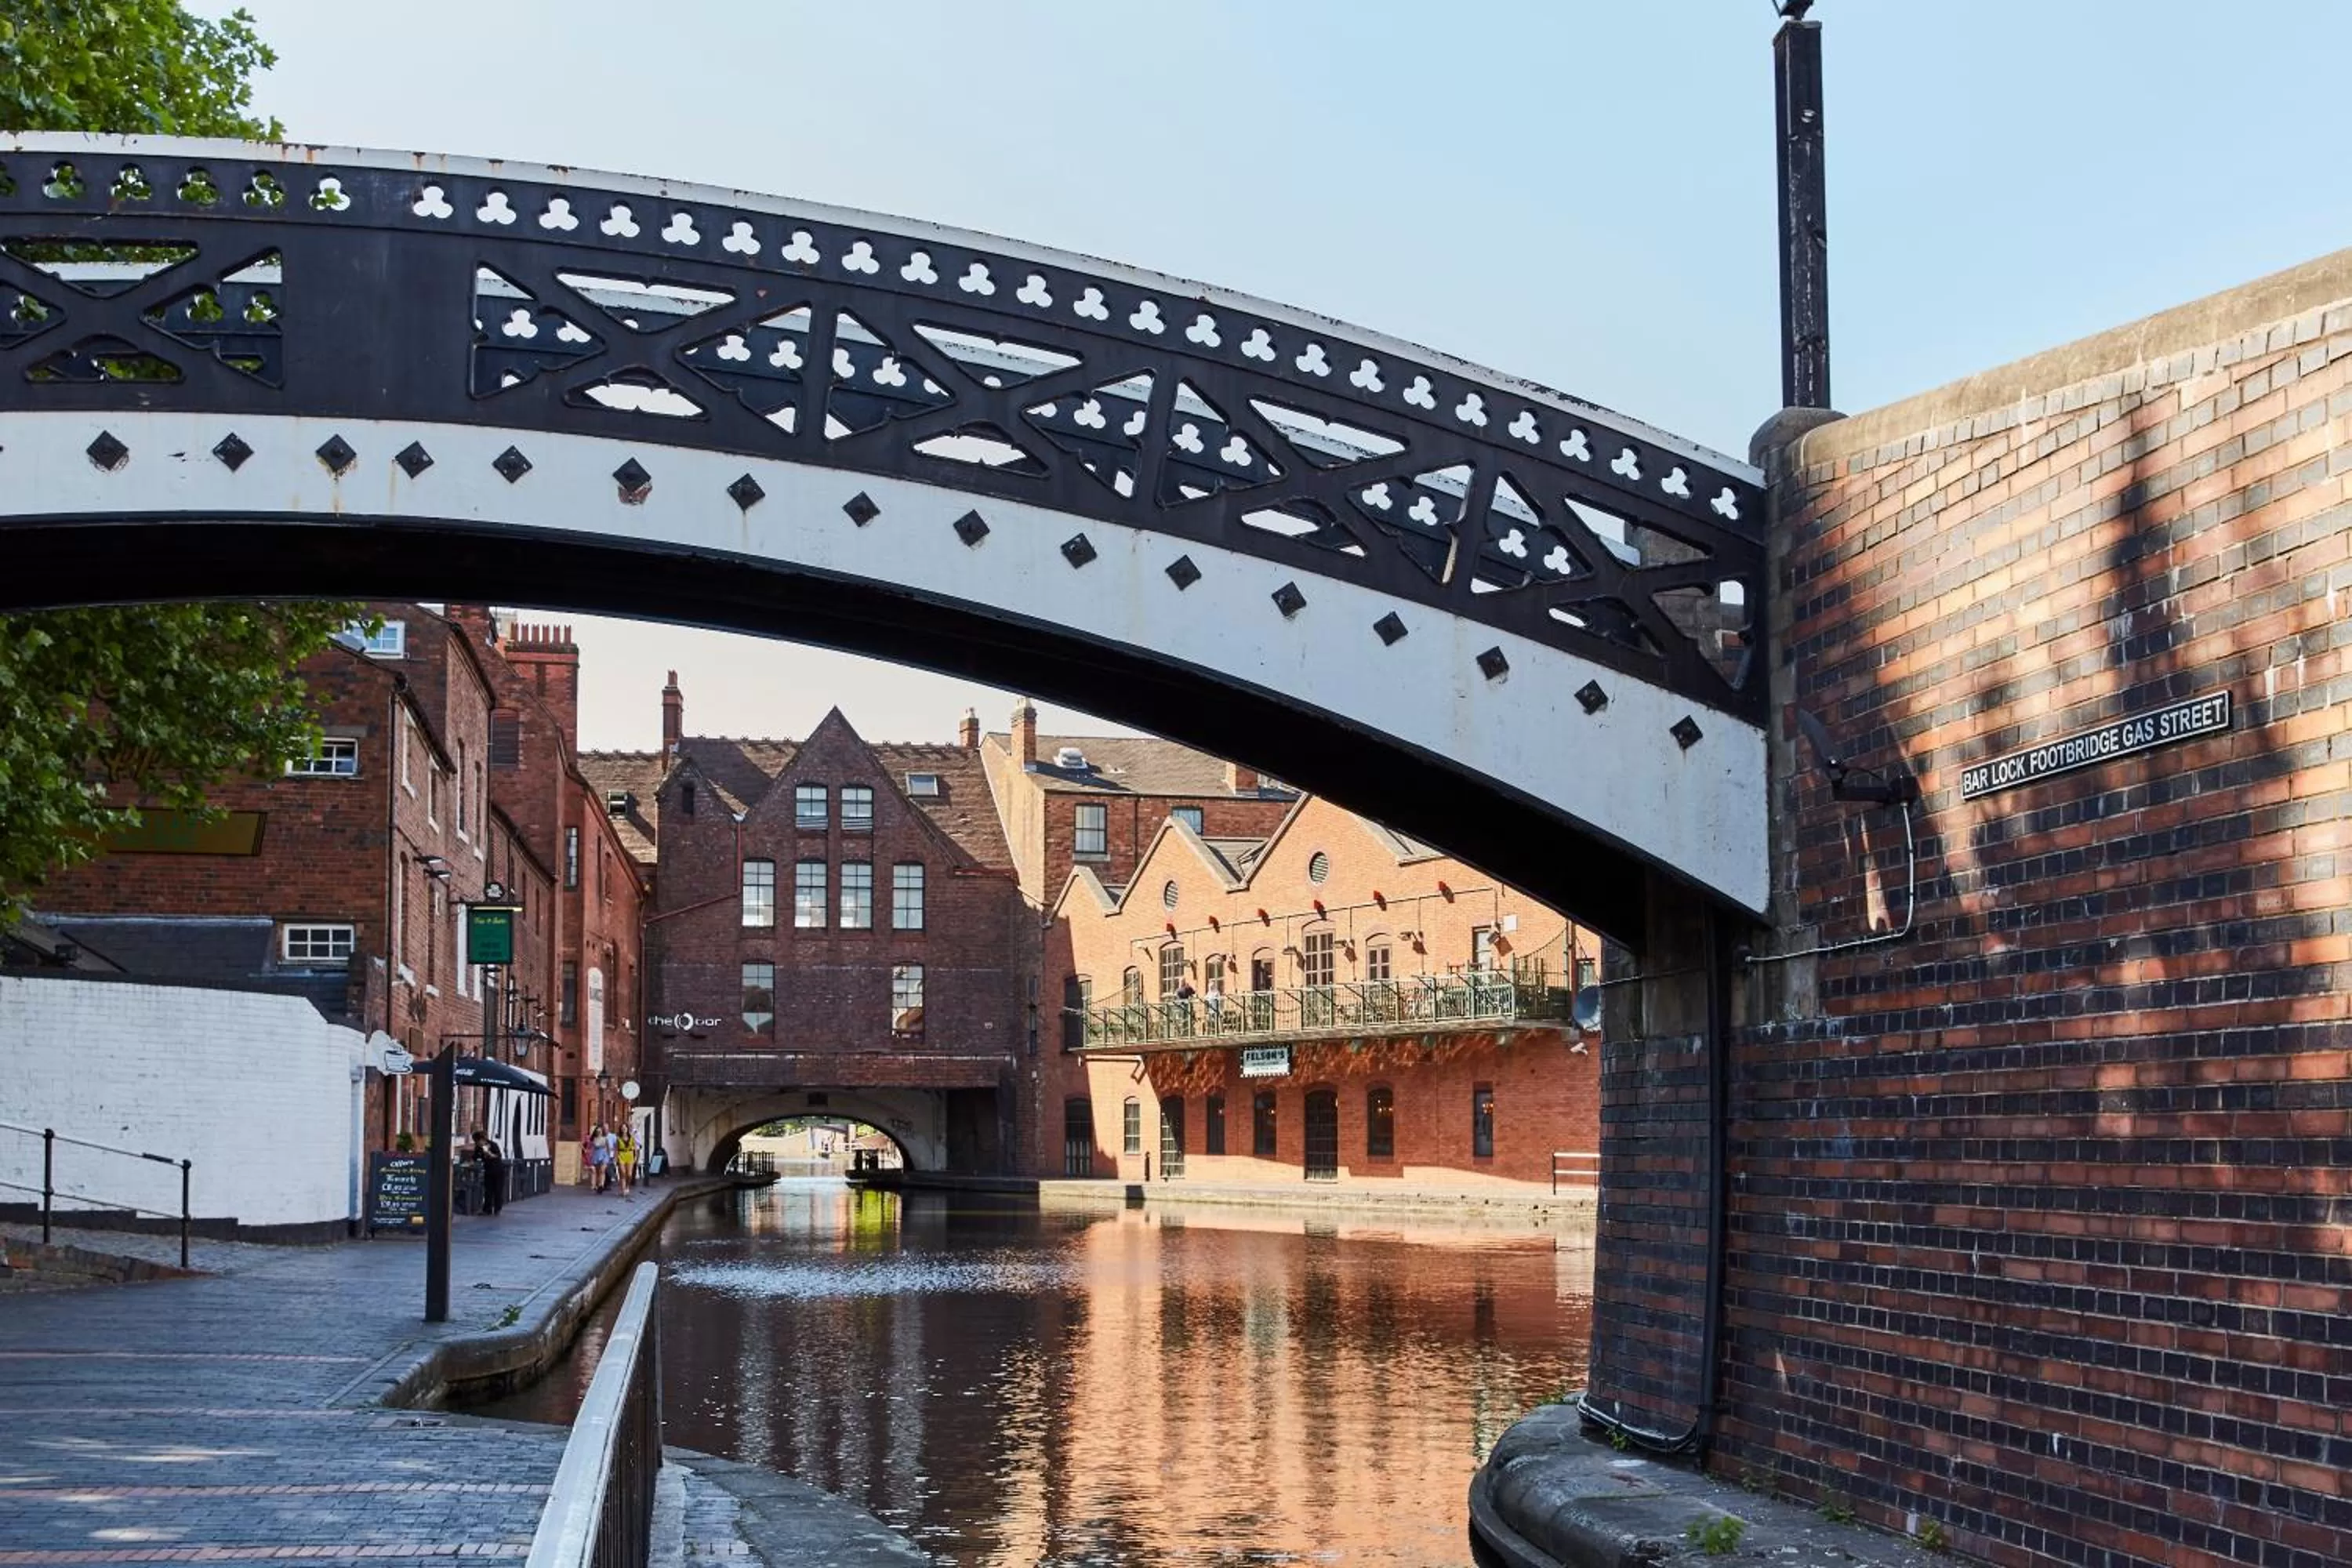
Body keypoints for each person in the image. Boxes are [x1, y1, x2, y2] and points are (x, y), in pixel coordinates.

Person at [474, 1127, 506, 1216]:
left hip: (498, 1170)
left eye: (478, 1141)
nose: (478, 1143)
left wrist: (489, 1153)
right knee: (488, 1190)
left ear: (483, 1139)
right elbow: (475, 1157)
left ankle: (497, 1209)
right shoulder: (478, 1148)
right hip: (488, 1170)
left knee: (498, 1190)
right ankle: (487, 1209)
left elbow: (498, 1156)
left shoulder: (493, 1145)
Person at [615, 1125, 637, 1197]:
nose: (624, 1129)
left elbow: (635, 1147)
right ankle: (623, 1190)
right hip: (621, 1155)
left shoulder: (632, 1137)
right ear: (621, 1129)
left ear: (627, 1129)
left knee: (629, 1174)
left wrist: (636, 1156)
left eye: (625, 1128)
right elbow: (616, 1149)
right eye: (622, 1128)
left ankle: (627, 1187)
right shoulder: (618, 1138)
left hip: (630, 1155)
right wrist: (616, 1158)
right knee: (623, 1173)